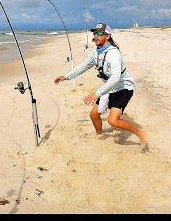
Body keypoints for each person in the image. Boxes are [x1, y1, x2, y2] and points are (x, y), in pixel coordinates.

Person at [54, 22, 148, 152]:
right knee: (93, 115)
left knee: (113, 121)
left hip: (123, 88)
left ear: (107, 36)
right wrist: (66, 76)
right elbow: (83, 66)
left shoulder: (113, 54)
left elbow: (115, 77)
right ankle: (99, 134)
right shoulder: (95, 53)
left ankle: (140, 133)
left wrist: (97, 93)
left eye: (99, 33)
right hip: (109, 88)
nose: (96, 36)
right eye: (94, 33)